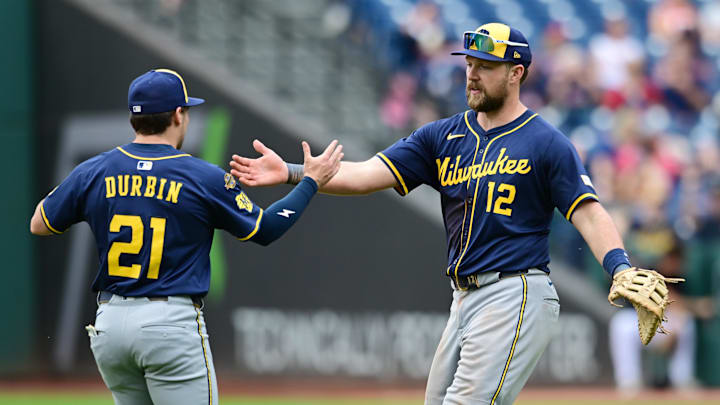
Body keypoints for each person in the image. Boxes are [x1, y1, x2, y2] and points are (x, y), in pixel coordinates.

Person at [230, 23, 640, 405]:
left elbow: (587, 211)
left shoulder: (546, 142)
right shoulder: (443, 136)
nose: (472, 74)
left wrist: (619, 267)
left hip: (515, 292)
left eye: (486, 66)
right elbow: (367, 173)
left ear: (516, 73)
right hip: (463, 298)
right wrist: (293, 172)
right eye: (469, 64)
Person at [29, 68, 343, 405]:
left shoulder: (95, 170)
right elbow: (264, 230)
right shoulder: (200, 176)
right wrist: (310, 182)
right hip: (168, 323)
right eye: (187, 110)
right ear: (178, 115)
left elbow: (40, 223)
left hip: (111, 325)